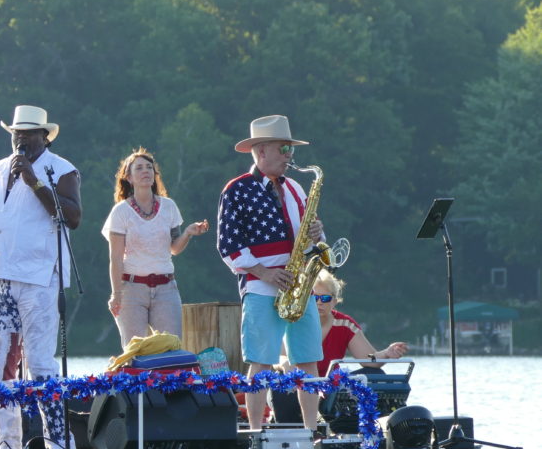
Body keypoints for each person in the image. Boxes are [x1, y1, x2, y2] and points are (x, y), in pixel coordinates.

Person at [0, 105, 81, 449]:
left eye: (29, 133)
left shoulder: (62, 169)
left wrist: (33, 180)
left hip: (40, 279)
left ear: (45, 136)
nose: (21, 139)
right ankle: (7, 447)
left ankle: (58, 446)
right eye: (16, 133)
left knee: (42, 364)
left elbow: (72, 217)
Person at [217, 115, 325, 432]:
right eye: (283, 149)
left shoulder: (294, 188)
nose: (290, 156)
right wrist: (265, 272)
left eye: (289, 148)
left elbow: (309, 237)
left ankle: (311, 431)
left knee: (308, 360)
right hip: (261, 287)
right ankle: (255, 433)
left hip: (298, 286)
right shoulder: (236, 190)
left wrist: (318, 234)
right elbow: (228, 245)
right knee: (261, 363)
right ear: (262, 151)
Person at [271, 269, 410, 425]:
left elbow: (369, 360)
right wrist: (285, 365)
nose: (319, 302)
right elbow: (278, 356)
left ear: (334, 302)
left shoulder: (344, 324)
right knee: (281, 382)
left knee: (374, 374)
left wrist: (386, 353)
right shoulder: (294, 320)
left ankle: (355, 428)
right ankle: (290, 432)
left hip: (331, 388)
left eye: (325, 298)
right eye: (314, 298)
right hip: (299, 382)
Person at [103, 148, 209, 349]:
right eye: (140, 168)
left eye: (149, 167)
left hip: (165, 288)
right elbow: (116, 258)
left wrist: (187, 233)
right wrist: (116, 294)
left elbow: (174, 248)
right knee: (135, 351)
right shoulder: (121, 212)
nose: (146, 171)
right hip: (132, 289)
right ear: (128, 177)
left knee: (171, 348)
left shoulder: (169, 206)